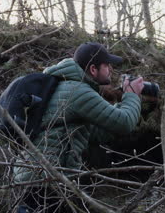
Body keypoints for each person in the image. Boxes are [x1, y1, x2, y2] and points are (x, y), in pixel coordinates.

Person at [14, 42, 144, 212]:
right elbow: (124, 122)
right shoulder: (78, 91)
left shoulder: (65, 86)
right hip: (46, 180)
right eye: (106, 65)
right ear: (92, 69)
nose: (111, 69)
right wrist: (132, 95)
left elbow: (97, 134)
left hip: (34, 175)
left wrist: (135, 109)